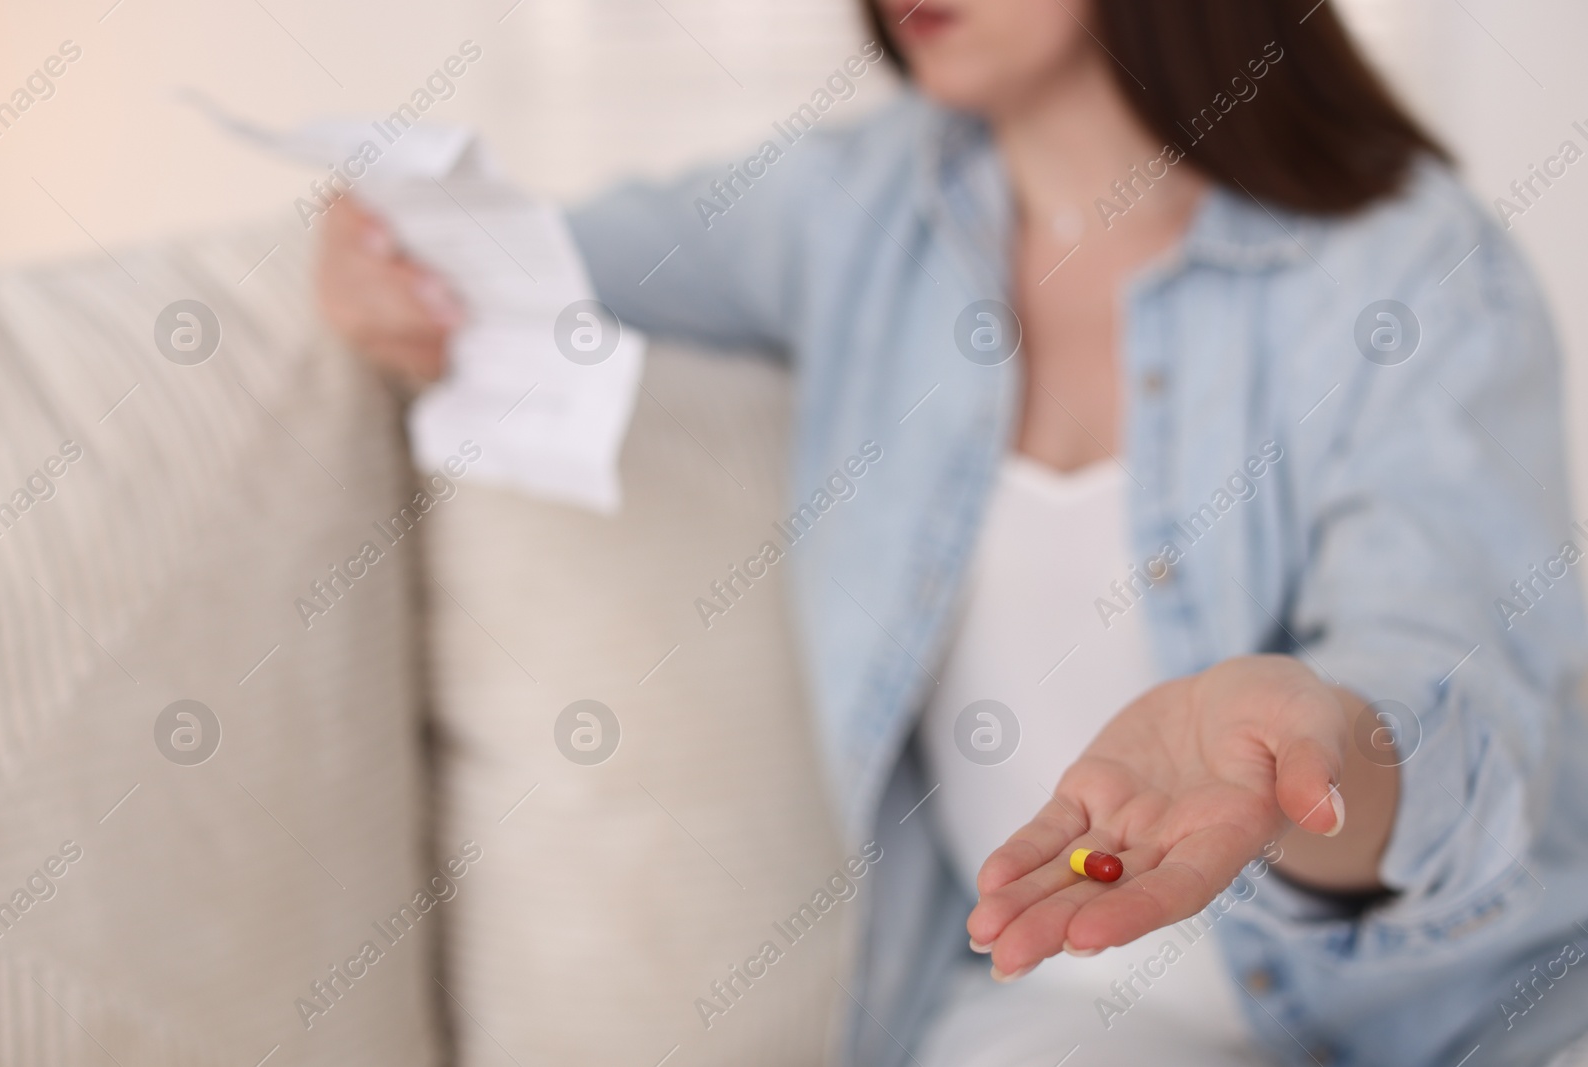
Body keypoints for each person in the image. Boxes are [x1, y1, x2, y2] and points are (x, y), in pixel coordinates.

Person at [317, 1, 1588, 1064]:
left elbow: (1450, 656)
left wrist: (1306, 742)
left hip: (1468, 1013)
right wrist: (384, 247)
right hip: (1065, 1011)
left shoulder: (1411, 267)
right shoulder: (846, 211)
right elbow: (515, 254)